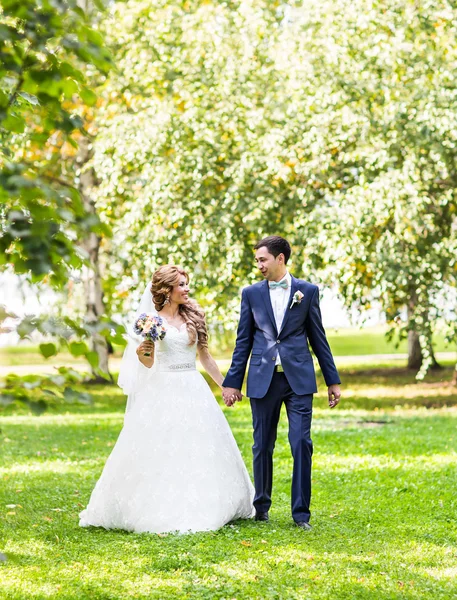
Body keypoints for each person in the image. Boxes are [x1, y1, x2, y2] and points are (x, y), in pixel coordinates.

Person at [79, 265, 254, 534]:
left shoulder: (194, 317)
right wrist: (141, 353)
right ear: (166, 290)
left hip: (192, 386)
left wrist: (226, 385)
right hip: (162, 387)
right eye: (181, 284)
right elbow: (147, 364)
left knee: (199, 444)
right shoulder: (151, 321)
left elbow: (204, 356)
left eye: (186, 284)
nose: (186, 289)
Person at [222, 236, 341, 530]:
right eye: (257, 261)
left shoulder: (307, 291)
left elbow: (318, 338)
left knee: (301, 443)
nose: (259, 265)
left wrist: (332, 380)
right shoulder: (250, 294)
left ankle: (301, 514)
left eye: (263, 259)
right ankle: (261, 507)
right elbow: (243, 341)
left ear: (280, 259)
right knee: (262, 445)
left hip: (298, 379)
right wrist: (232, 382)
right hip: (263, 379)